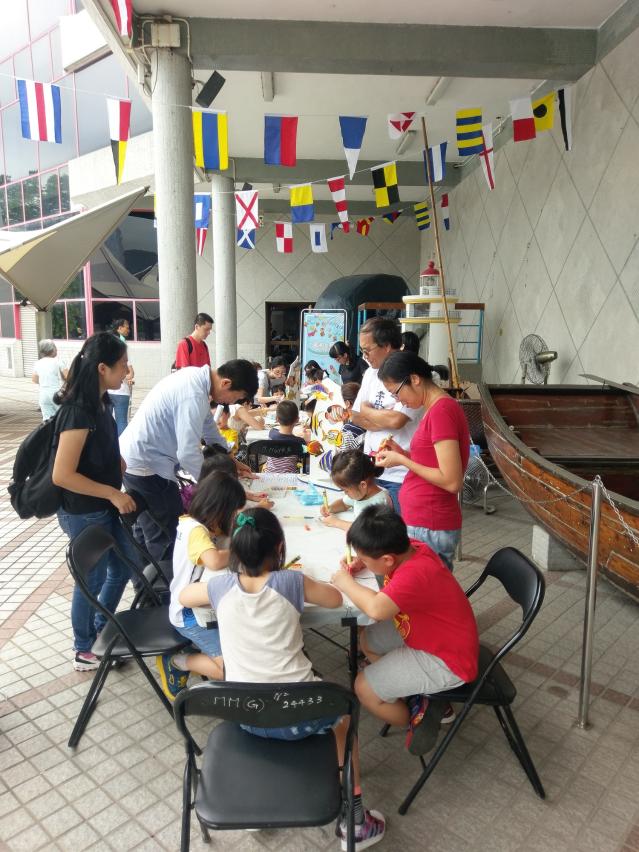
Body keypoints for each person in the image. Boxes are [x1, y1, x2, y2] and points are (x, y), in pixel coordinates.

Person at [178, 507, 386, 849]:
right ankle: (356, 819)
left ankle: (252, 806)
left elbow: (185, 597)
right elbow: (335, 599)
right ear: (278, 548)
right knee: (344, 717)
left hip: (244, 716)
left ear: (235, 550)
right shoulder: (291, 582)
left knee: (270, 705)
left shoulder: (220, 586)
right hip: (303, 715)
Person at [331, 506, 478, 755]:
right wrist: (362, 564)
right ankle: (415, 692)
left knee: (363, 688)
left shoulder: (416, 572)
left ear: (388, 559)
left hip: (448, 659)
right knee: (368, 640)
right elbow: (382, 592)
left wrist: (345, 582)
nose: (362, 562)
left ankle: (417, 716)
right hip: (429, 632)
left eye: (365, 559)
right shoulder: (411, 547)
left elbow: (376, 609)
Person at [50, 333, 138, 671]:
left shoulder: (102, 402)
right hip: (84, 511)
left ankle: (102, 628)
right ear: (103, 368)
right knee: (92, 579)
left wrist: (117, 464)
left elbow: (99, 449)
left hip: (104, 505)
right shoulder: (77, 411)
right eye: (123, 364)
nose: (127, 370)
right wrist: (113, 493)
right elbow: (62, 475)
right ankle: (83, 648)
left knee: (124, 565)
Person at [120, 359, 258, 562]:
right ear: (226, 383)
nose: (230, 403)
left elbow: (209, 428)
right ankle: (167, 579)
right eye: (235, 398)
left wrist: (231, 459)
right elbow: (187, 454)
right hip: (147, 465)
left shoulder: (197, 381)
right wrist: (220, 488)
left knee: (146, 527)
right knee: (169, 534)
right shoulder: (193, 393)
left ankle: (146, 575)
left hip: (141, 458)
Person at [376, 351, 470, 570]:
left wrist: (403, 460)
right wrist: (403, 455)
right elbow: (434, 463)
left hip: (430, 522)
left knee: (426, 587)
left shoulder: (441, 411)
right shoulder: (435, 409)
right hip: (425, 521)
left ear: (415, 379)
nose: (398, 401)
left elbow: (451, 481)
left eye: (396, 392)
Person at [156, 471, 246, 696]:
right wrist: (245, 548)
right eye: (232, 512)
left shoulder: (193, 522)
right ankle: (177, 662)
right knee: (233, 670)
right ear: (219, 509)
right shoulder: (196, 530)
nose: (234, 516)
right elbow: (213, 561)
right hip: (189, 615)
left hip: (201, 605)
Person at [350, 317, 423, 513]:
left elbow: (397, 420)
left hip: (400, 475)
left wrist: (368, 411)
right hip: (372, 470)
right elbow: (355, 416)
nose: (365, 356)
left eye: (368, 350)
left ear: (387, 346)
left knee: (398, 528)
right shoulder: (370, 374)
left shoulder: (409, 373)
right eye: (362, 351)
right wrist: (383, 417)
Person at [180, 444, 273, 513]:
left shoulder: (207, 486)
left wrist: (250, 496)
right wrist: (260, 508)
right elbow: (235, 519)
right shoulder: (211, 502)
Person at [321, 450, 392, 531]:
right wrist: (330, 508)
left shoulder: (380, 502)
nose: (345, 493)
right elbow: (344, 504)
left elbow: (366, 531)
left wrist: (337, 523)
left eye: (346, 490)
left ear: (363, 485)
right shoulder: (359, 493)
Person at [264, 400, 307, 473]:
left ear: (277, 419)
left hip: (269, 476)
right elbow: (305, 457)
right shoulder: (300, 442)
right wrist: (305, 441)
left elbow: (284, 437)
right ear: (297, 420)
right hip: (290, 478)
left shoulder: (272, 433)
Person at [108, 318, 134, 436]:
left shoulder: (107, 347)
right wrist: (127, 375)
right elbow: (130, 373)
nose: (129, 330)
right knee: (122, 422)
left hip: (107, 391)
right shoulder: (122, 345)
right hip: (121, 391)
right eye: (126, 327)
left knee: (106, 422)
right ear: (119, 328)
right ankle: (121, 446)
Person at [31, 339, 67, 420]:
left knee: (47, 420)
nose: (56, 350)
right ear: (52, 349)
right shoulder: (58, 362)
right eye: (55, 347)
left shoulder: (38, 363)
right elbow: (68, 377)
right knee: (62, 418)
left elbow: (34, 379)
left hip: (43, 394)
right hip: (57, 394)